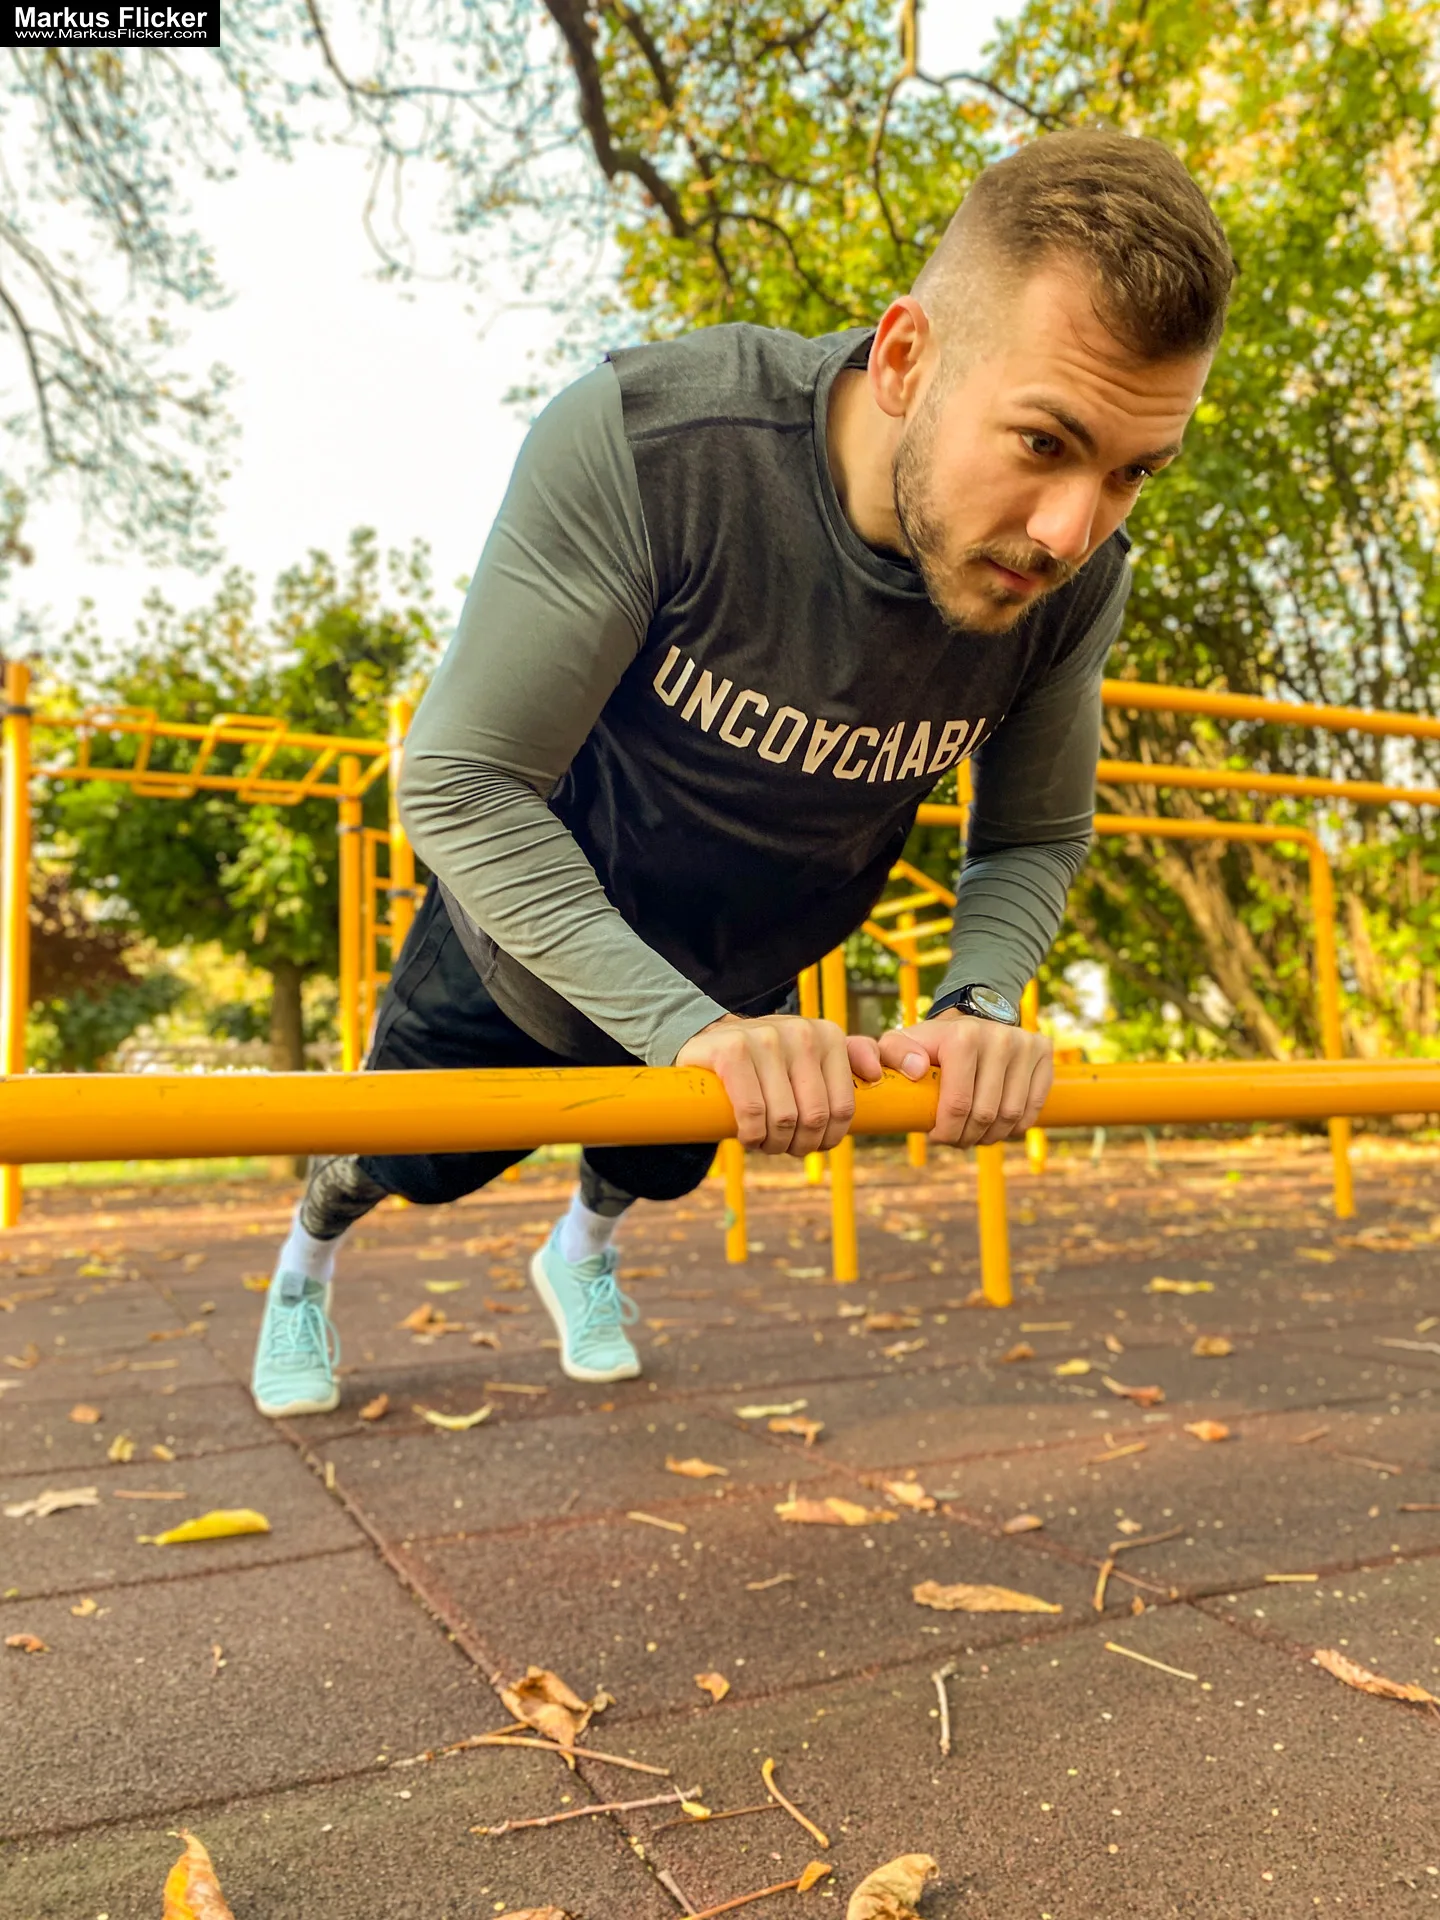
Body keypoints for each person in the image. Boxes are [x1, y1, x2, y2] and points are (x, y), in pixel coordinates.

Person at [250, 128, 1233, 1418]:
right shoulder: (660, 448)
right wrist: (686, 1032)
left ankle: (580, 1252)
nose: (1073, 531)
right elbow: (460, 781)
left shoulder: (1077, 578)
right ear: (904, 358)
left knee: (650, 1171)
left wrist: (981, 999)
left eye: (1132, 474)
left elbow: (1033, 839)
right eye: (1045, 442)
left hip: (747, 977)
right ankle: (304, 1264)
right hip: (529, 945)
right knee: (406, 1161)